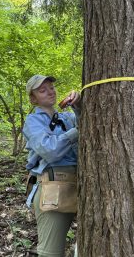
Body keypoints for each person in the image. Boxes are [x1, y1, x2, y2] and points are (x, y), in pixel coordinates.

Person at [23, 74, 81, 257]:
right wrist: (75, 132)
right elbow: (50, 151)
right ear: (33, 98)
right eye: (42, 90)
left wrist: (78, 106)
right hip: (53, 186)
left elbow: (88, 126)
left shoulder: (66, 117)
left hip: (81, 182)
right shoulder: (33, 122)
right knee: (51, 252)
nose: (50, 92)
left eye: (52, 88)